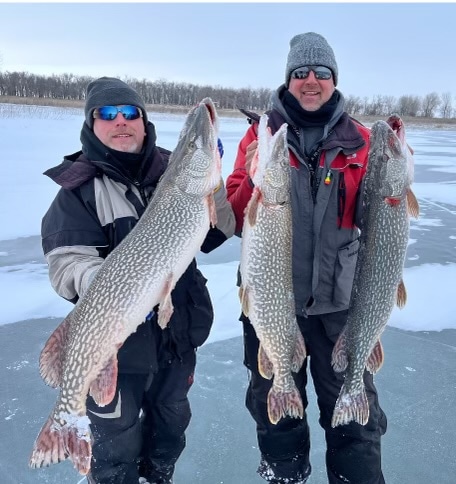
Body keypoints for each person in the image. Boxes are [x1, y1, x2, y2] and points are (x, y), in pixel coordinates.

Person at [41, 77, 235, 484]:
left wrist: (214, 183)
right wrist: (113, 283)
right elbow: (66, 266)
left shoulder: (174, 172)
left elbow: (219, 231)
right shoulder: (77, 193)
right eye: (107, 115)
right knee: (116, 449)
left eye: (130, 113)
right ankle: (70, 428)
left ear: (144, 123)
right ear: (91, 125)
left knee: (169, 433)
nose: (121, 122)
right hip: (118, 342)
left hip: (176, 338)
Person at [226, 33, 387, 484]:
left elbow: (375, 215)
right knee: (276, 415)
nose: (310, 81)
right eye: (301, 73)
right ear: (288, 79)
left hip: (340, 305)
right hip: (273, 304)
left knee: (357, 422)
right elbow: (235, 218)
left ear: (334, 80)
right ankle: (284, 476)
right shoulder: (261, 138)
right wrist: (253, 178)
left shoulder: (361, 140)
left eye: (321, 73)